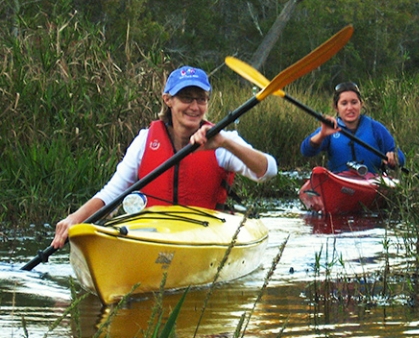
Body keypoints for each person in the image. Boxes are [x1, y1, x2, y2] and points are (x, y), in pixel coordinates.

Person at [51, 65, 278, 249]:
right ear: (168, 100)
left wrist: (225, 143)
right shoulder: (145, 140)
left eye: (201, 99)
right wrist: (75, 219)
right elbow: (112, 193)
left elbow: (269, 170)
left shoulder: (221, 140)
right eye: (186, 98)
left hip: (205, 234)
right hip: (154, 232)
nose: (194, 106)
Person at [300, 81, 405, 174]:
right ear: (336, 107)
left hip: (371, 182)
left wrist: (394, 158)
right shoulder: (330, 128)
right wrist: (322, 135)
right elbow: (306, 151)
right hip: (340, 182)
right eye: (344, 103)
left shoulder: (376, 128)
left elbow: (399, 156)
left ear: (361, 104)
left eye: (354, 102)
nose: (350, 108)